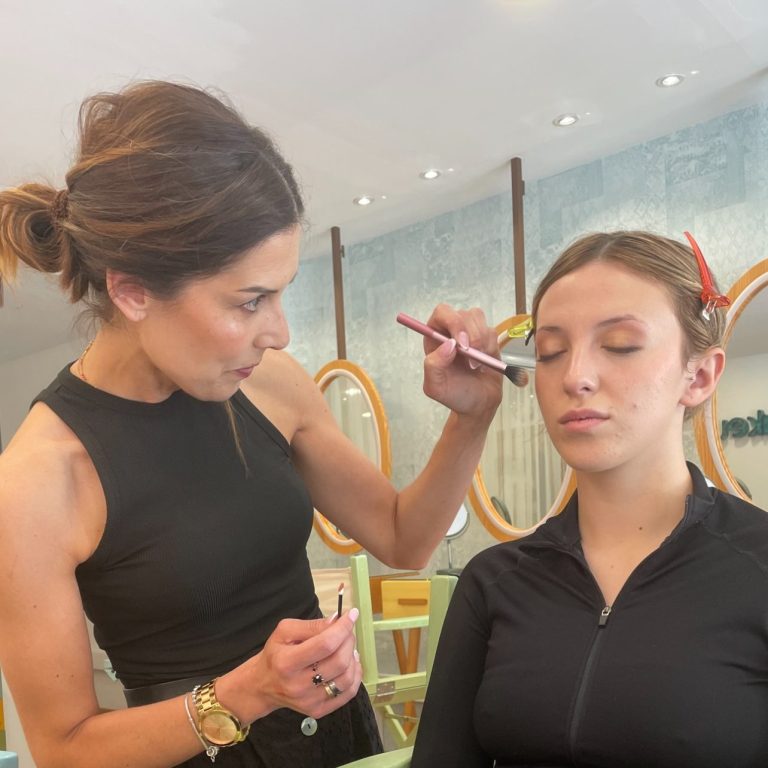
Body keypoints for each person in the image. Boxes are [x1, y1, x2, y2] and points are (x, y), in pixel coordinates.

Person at [0, 80, 504, 768]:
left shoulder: (267, 385)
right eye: (249, 301)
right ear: (132, 291)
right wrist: (247, 693)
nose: (280, 333)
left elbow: (403, 536)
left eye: (281, 292)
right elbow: (64, 749)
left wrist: (470, 418)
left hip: (338, 734)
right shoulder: (37, 482)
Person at [411, 231, 768, 768]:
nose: (574, 376)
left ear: (698, 376)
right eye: (551, 352)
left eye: (620, 344)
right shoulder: (493, 581)